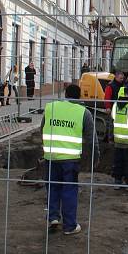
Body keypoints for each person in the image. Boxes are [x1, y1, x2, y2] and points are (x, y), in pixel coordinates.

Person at [41, 84, 98, 235]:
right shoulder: (83, 113)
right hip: (70, 160)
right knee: (69, 190)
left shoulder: (51, 107)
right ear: (79, 97)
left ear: (65, 94)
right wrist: (94, 158)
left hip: (51, 157)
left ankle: (53, 217)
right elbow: (92, 140)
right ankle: (69, 226)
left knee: (52, 187)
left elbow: (42, 129)